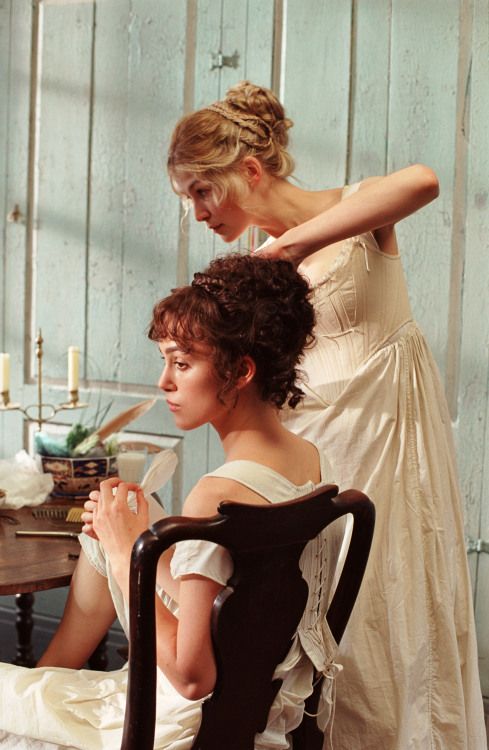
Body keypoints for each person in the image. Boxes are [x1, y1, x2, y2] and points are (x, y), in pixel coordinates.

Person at [166, 81, 487, 749]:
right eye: (187, 198)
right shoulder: (249, 275)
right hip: (310, 458)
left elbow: (423, 180)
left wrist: (287, 247)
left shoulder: (351, 212)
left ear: (249, 171)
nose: (196, 213)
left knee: (392, 609)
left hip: (387, 448)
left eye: (202, 191)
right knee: (307, 621)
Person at [0, 253, 345, 750]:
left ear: (241, 371)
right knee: (124, 515)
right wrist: (135, 540)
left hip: (181, 720)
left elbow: (192, 678)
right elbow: (246, 606)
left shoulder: (218, 495)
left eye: (182, 363)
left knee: (118, 533)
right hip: (261, 702)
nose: (164, 382)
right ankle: (48, 679)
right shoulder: (311, 462)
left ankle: (43, 688)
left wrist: (126, 554)